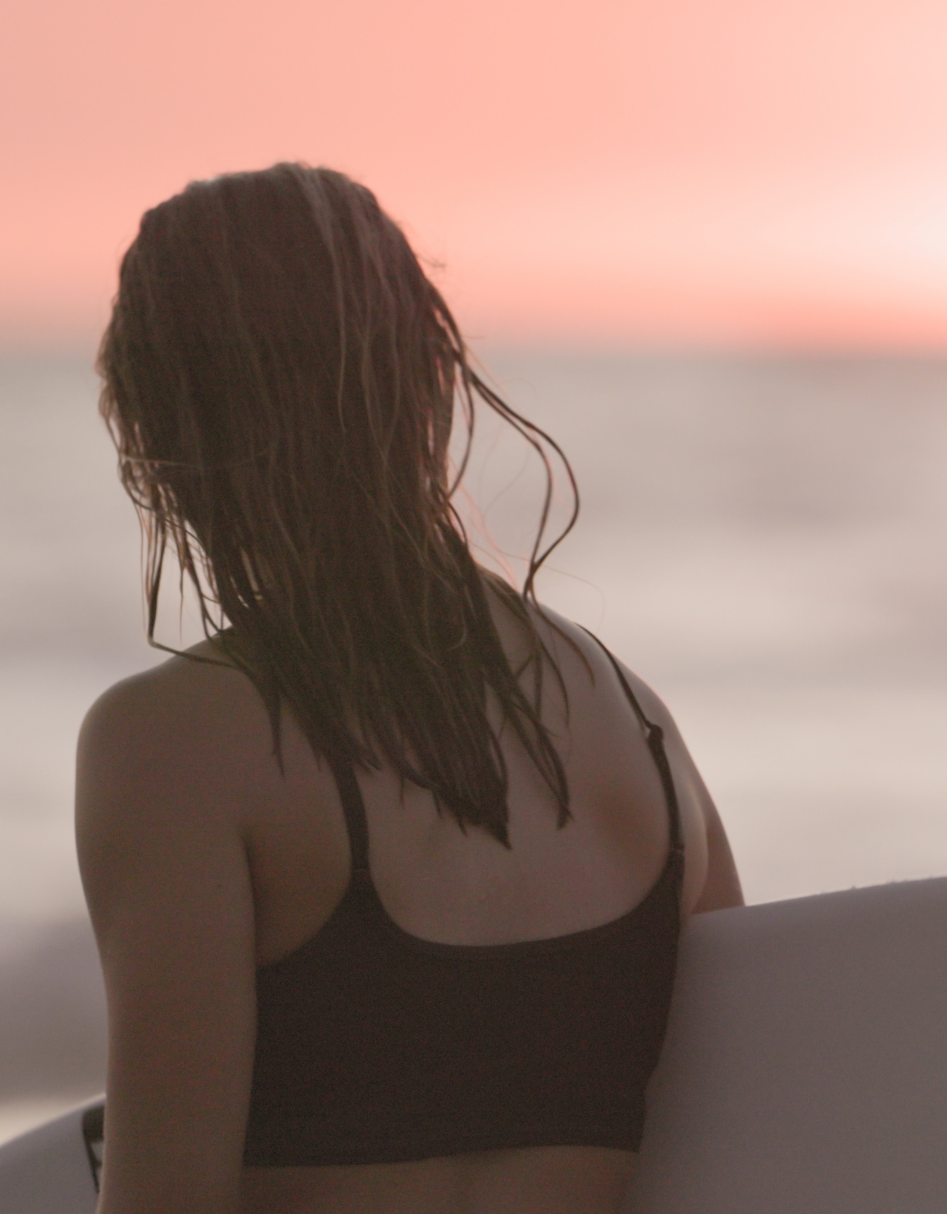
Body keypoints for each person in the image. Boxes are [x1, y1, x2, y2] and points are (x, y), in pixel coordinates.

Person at [76, 163, 743, 1214]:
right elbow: (750, 1129)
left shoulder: (175, 742)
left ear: (168, 430)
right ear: (430, 378)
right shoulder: (634, 721)